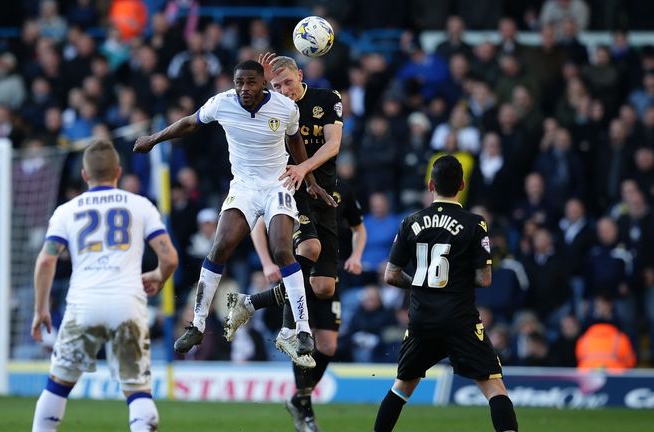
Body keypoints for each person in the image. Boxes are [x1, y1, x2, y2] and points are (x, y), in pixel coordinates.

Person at [132, 60, 335, 358]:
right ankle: (197, 325)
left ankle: (302, 330)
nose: (244, 89)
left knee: (282, 250)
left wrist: (309, 179)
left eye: (250, 82)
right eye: (239, 82)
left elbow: (296, 142)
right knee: (220, 246)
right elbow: (189, 122)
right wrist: (154, 139)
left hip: (277, 185)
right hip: (243, 188)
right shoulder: (222, 103)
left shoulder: (285, 108)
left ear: (263, 83)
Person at [218, 53, 350, 431]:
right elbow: (256, 207)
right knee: (307, 252)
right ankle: (288, 322)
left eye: (287, 83)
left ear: (301, 77)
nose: (282, 91)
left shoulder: (325, 100)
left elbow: (334, 144)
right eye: (275, 87)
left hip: (321, 194)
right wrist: (266, 261)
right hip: (289, 194)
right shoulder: (268, 112)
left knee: (323, 300)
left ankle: (254, 305)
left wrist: (305, 169)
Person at [30, 139, 178, 432]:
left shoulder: (66, 211)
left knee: (57, 385)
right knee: (137, 390)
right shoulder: (140, 205)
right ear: (118, 172)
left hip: (83, 305)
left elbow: (46, 261)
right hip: (127, 304)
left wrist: (41, 309)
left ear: (85, 175)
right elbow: (170, 257)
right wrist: (159, 276)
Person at [373, 155, 518, 432]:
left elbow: (390, 275)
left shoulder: (409, 222)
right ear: (462, 185)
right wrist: (453, 281)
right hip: (459, 319)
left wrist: (423, 282)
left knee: (401, 388)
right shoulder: (476, 224)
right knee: (494, 387)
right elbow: (484, 279)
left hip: (422, 319)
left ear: (431, 185)